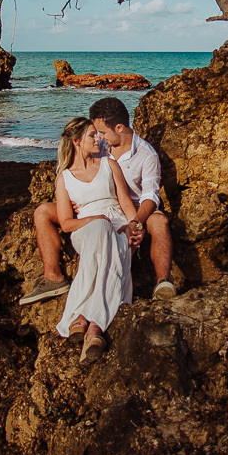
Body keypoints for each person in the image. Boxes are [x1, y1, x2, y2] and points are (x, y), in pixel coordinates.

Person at [20, 96, 176, 306]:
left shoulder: (146, 155)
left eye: (102, 132)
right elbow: (79, 163)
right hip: (94, 204)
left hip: (133, 207)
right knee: (43, 212)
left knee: (159, 222)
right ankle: (53, 278)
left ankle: (162, 282)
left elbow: (150, 196)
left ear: (119, 127)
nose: (99, 137)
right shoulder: (100, 145)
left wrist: (137, 222)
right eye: (96, 133)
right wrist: (77, 196)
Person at [52, 116, 143, 364]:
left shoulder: (108, 165)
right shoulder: (65, 179)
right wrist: (94, 220)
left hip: (117, 224)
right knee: (101, 227)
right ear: (77, 141)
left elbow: (125, 202)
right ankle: (94, 323)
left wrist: (136, 225)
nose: (98, 139)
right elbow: (66, 223)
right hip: (86, 230)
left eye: (96, 134)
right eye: (92, 135)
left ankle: (86, 323)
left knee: (119, 242)